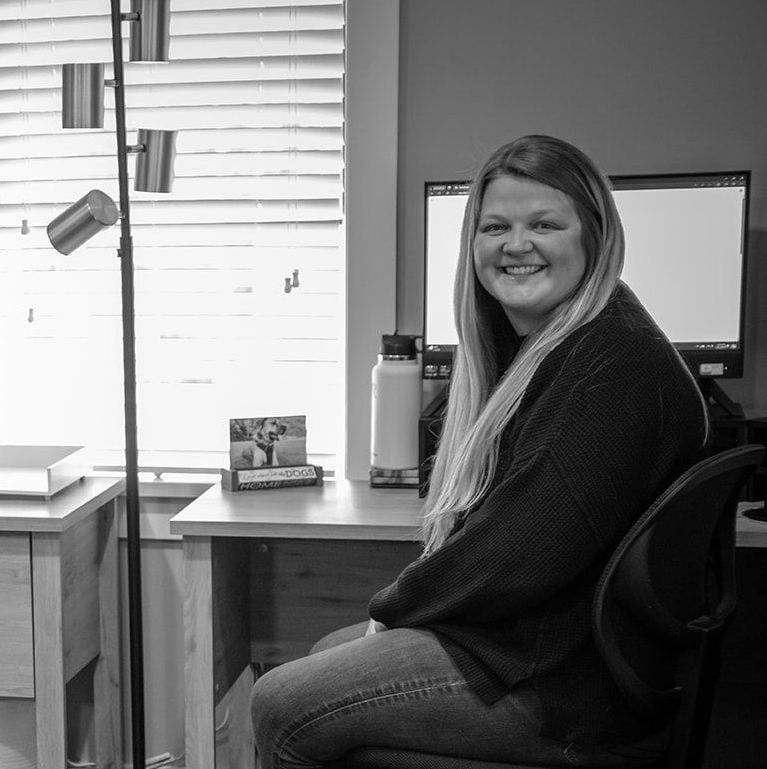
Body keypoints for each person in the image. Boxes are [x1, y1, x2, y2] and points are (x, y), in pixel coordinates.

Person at [250, 135, 709, 768]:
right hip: (541, 650)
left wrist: (391, 615)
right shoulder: (569, 346)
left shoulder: (615, 366)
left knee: (281, 702)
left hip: (564, 688)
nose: (516, 244)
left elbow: (520, 551)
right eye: (496, 227)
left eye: (544, 223)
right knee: (325, 653)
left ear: (596, 238)